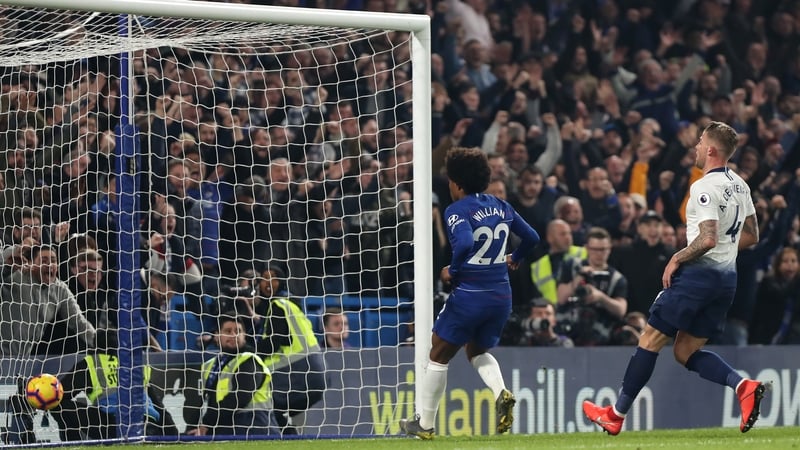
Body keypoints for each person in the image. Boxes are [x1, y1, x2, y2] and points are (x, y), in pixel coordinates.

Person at [582, 121, 766, 436]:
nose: (695, 147)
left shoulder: (703, 187)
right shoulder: (739, 184)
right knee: (684, 353)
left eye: (699, 142)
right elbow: (753, 235)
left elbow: (707, 239)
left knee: (650, 339)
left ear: (710, 149)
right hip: (726, 281)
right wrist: (724, 251)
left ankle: (615, 414)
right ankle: (743, 386)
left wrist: (677, 257)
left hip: (699, 276)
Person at [399, 146, 541, 439]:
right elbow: (532, 237)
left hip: (471, 294)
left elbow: (463, 243)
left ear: (458, 183)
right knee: (476, 349)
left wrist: (453, 269)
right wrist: (515, 258)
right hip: (501, 295)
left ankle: (424, 424)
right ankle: (501, 392)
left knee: (437, 351)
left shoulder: (457, 210)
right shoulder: (501, 205)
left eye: (450, 180)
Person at [51, 332, 178, 441]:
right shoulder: (134, 364)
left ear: (95, 346)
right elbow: (158, 405)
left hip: (112, 426)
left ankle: (74, 444)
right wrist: (175, 435)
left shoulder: (92, 362)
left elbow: (61, 393)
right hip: (148, 425)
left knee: (56, 402)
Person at [245, 266, 326, 435]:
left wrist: (250, 356)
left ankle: (280, 437)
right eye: (264, 278)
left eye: (273, 278)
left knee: (256, 399)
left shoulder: (278, 305)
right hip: (316, 373)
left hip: (298, 371)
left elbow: (275, 342)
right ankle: (290, 436)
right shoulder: (292, 304)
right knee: (272, 408)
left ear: (281, 282)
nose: (268, 283)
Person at [188, 313, 280, 437]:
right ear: (217, 335)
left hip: (256, 429)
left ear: (245, 335)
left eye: (238, 331)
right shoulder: (209, 365)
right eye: (228, 331)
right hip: (227, 429)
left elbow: (239, 398)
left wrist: (207, 423)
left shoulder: (250, 360)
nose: (234, 335)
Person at [556, 227, 628, 346]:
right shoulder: (572, 266)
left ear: (610, 249)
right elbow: (561, 297)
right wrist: (579, 278)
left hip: (599, 335)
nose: (599, 254)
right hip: (567, 330)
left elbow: (621, 310)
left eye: (603, 249)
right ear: (587, 248)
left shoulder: (616, 278)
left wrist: (600, 297)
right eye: (595, 249)